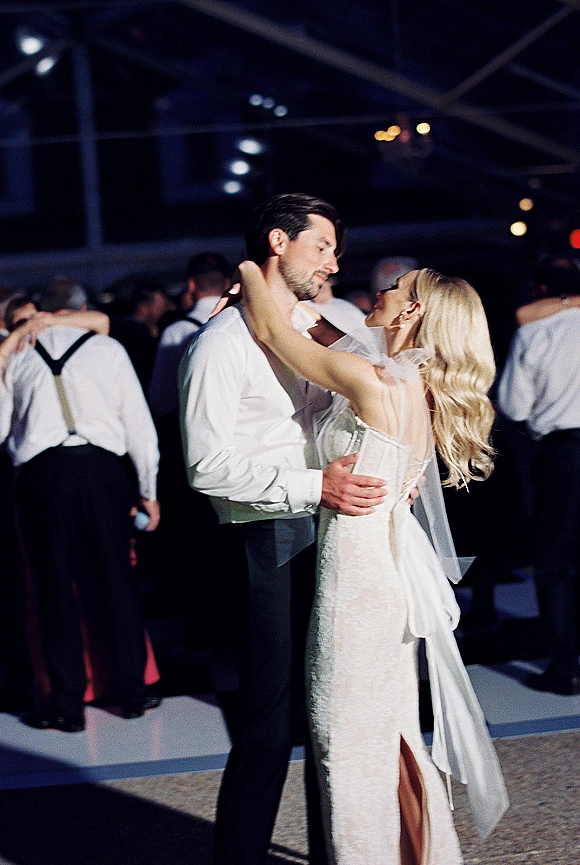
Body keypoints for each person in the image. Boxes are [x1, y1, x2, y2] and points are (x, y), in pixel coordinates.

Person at [238, 260, 509, 864]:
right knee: (389, 732)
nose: (377, 293)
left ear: (412, 310)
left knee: (345, 738)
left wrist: (254, 269)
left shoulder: (374, 382)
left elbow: (272, 333)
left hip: (357, 578)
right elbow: (341, 344)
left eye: (393, 288)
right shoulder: (411, 382)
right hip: (390, 569)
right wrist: (309, 313)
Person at [179, 193, 387, 865]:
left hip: (335, 531)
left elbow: (375, 373)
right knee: (268, 724)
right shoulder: (219, 342)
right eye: (322, 246)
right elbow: (206, 466)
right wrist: (314, 485)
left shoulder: (317, 327)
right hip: (265, 537)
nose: (334, 263)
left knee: (332, 717)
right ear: (278, 241)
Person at [0, 282, 162, 732]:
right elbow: (139, 428)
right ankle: (133, 693)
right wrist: (148, 490)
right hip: (102, 471)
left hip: (42, 476)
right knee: (117, 579)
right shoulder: (107, 349)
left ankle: (67, 705)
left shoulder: (17, 354)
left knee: (53, 589)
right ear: (79, 309)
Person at [498, 254, 580, 696]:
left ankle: (565, 668)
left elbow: (514, 405)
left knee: (557, 563)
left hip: (564, 453)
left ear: (540, 290)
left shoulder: (535, 331)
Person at [303, 275, 367, 333]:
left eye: (327, 286)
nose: (326, 291)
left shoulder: (341, 304)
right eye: (321, 287)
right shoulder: (305, 307)